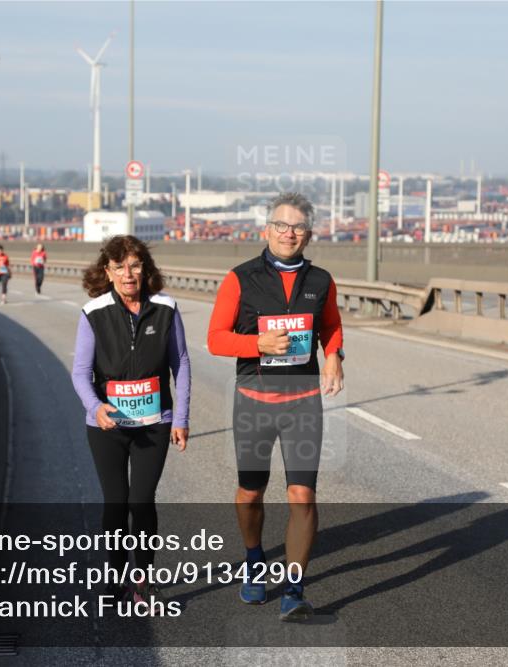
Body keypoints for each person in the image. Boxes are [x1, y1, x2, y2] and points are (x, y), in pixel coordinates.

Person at [207, 191, 344, 622]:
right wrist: (257, 343)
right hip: (253, 401)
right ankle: (253, 560)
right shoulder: (240, 278)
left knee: (302, 495)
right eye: (281, 226)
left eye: (298, 226)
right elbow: (215, 338)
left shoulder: (321, 281)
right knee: (251, 491)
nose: (289, 233)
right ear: (266, 230)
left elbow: (331, 326)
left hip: (302, 403)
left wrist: (335, 354)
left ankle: (294, 587)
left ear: (308, 234)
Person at [71, 235, 190, 607]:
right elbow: (79, 372)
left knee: (142, 501)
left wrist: (180, 418)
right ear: (106, 271)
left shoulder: (166, 308)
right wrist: (96, 407)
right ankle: (117, 577)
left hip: (154, 422)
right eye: (119, 266)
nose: (128, 274)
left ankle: (142, 581)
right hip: (108, 426)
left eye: (135, 265)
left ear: (145, 269)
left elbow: (181, 364)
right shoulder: (94, 313)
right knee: (115, 503)